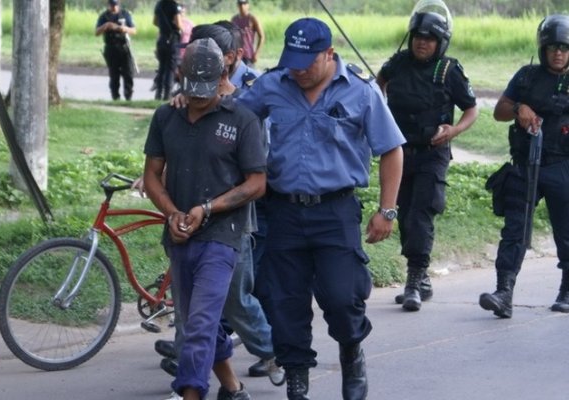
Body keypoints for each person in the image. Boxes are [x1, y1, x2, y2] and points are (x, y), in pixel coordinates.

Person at [238, 17, 405, 400]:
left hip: (336, 210)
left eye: (306, 62)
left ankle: (351, 351)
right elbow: (232, 116)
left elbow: (391, 149)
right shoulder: (272, 86)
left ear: (328, 54)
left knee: (342, 296)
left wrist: (388, 210)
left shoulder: (360, 92)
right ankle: (297, 376)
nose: (297, 69)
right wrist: (193, 98)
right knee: (283, 300)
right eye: (291, 60)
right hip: (283, 211)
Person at [153, 23, 284, 385]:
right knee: (198, 315)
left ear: (230, 60)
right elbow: (173, 148)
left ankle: (272, 351)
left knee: (233, 302)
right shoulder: (180, 104)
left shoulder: (249, 99)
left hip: (231, 225)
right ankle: (205, 370)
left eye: (213, 57)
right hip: (188, 225)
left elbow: (256, 173)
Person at [376, 11, 478, 311]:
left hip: (433, 152)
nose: (423, 43)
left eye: (430, 39)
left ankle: (413, 280)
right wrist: (381, 116)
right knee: (404, 213)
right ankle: (422, 278)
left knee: (422, 212)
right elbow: (376, 86)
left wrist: (454, 130)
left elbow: (472, 110)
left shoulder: (449, 70)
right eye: (419, 37)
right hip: (399, 151)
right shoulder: (397, 63)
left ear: (441, 42)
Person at [479, 14, 569, 318]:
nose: (558, 52)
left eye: (565, 47)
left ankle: (567, 289)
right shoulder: (527, 76)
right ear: (543, 48)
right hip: (525, 164)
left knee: (566, 231)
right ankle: (504, 292)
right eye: (553, 46)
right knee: (515, 229)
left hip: (562, 165)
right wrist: (519, 108)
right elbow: (499, 111)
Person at [95, 0, 137, 101]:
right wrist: (106, 26)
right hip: (111, 48)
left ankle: (128, 97)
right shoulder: (104, 16)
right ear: (108, 5)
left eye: (116, 5)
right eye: (112, 5)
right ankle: (115, 97)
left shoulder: (125, 14)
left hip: (124, 47)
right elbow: (96, 32)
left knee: (128, 73)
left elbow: (134, 30)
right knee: (114, 75)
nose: (114, 7)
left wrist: (124, 29)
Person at [152, 0, 182, 100]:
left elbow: (155, 22)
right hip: (172, 39)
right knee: (170, 68)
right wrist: (181, 28)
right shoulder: (174, 6)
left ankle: (158, 94)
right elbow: (178, 24)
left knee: (161, 68)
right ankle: (167, 95)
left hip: (161, 39)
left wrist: (164, 26)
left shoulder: (159, 4)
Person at [230, 0, 265, 66]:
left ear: (248, 5)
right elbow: (231, 36)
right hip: (237, 55)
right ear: (237, 5)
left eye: (244, 3)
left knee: (249, 75)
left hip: (248, 56)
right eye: (240, 4)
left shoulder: (252, 18)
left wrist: (257, 53)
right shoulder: (234, 19)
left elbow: (262, 36)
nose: (242, 6)